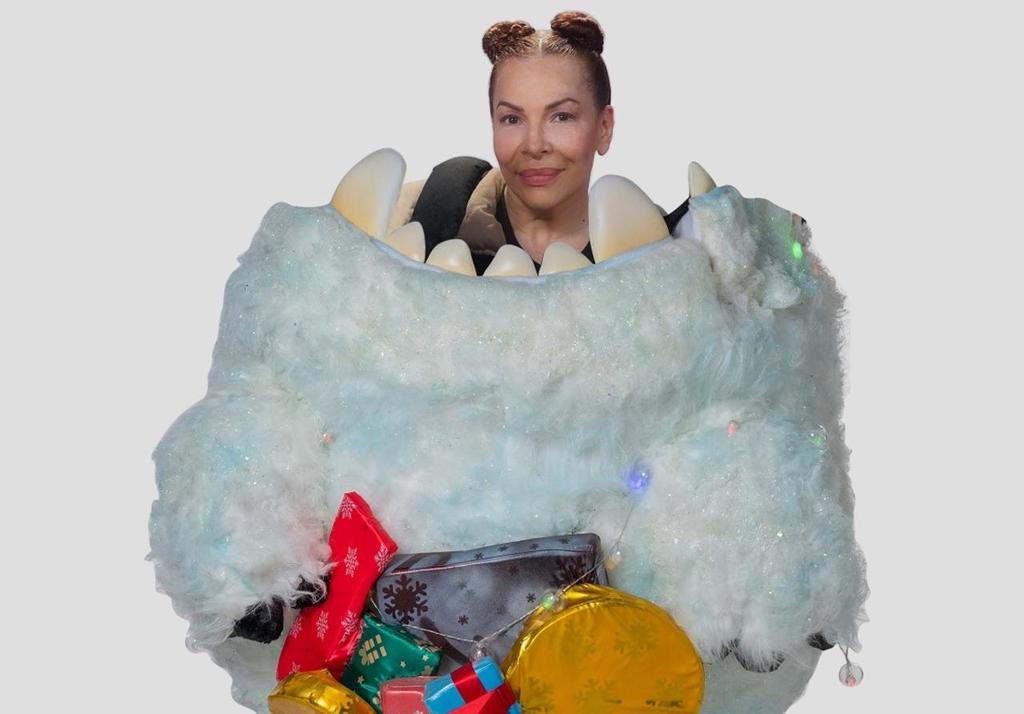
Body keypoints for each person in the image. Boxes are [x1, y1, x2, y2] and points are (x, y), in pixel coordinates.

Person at [385, 11, 688, 276]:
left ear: (604, 128)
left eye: (562, 117)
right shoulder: (414, 221)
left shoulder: (660, 257)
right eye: (512, 119)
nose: (534, 145)